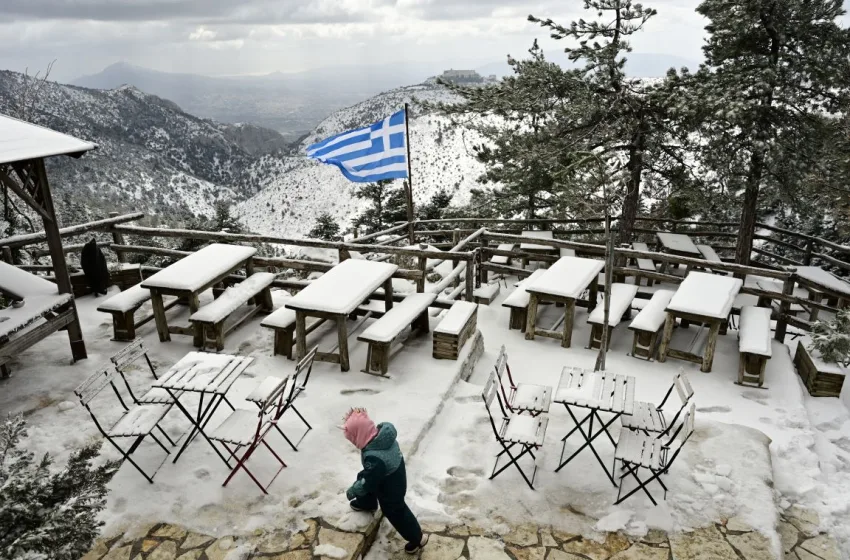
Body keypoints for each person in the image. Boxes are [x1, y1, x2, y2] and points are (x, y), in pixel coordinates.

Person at [343, 408, 428, 554]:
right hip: (390, 474)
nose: (353, 442)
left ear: (360, 435)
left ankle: (417, 538)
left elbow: (368, 482)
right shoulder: (381, 438)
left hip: (392, 488)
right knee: (364, 476)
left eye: (352, 438)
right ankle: (367, 503)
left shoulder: (375, 457)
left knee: (395, 510)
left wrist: (353, 491)